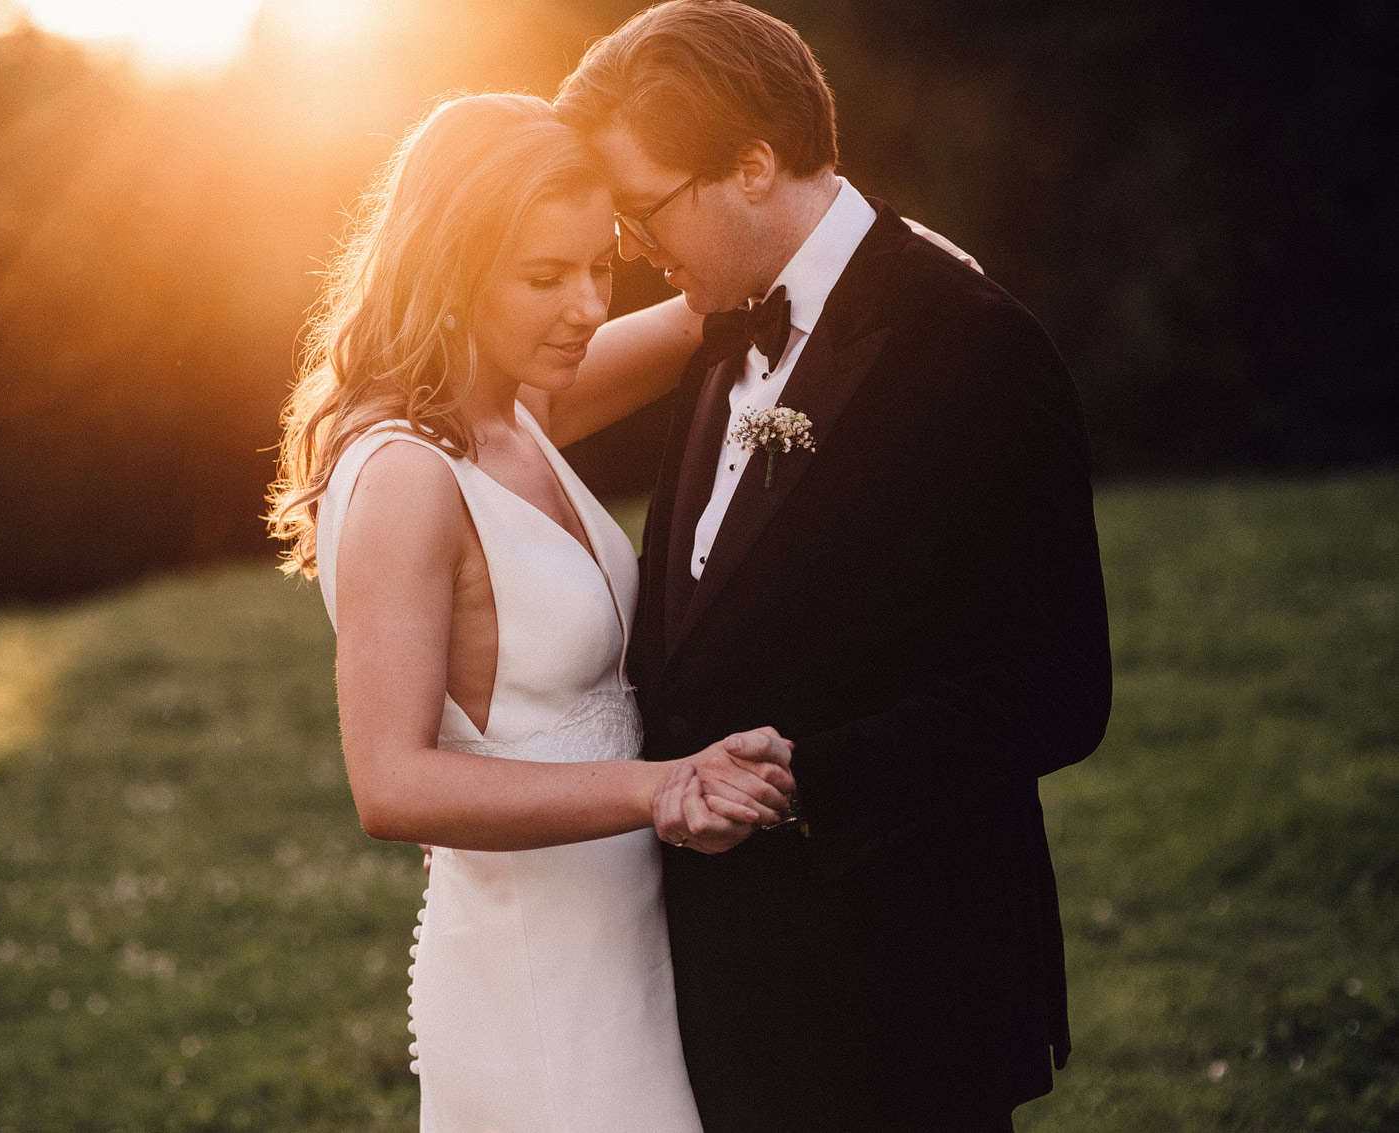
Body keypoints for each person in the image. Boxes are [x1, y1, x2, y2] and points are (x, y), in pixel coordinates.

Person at [527, 2, 1115, 1129]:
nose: (639, 253)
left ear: (751, 166)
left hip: (898, 983)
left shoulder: (972, 343)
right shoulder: (716, 325)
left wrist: (804, 780)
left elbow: (1055, 690)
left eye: (645, 212)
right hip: (726, 987)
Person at [264, 92, 798, 1131]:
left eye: (599, 267)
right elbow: (390, 782)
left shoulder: (512, 409)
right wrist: (660, 786)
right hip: (536, 988)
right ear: (449, 269)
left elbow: (720, 304)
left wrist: (878, 247)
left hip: (623, 952)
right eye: (543, 276)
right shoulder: (406, 475)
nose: (586, 307)